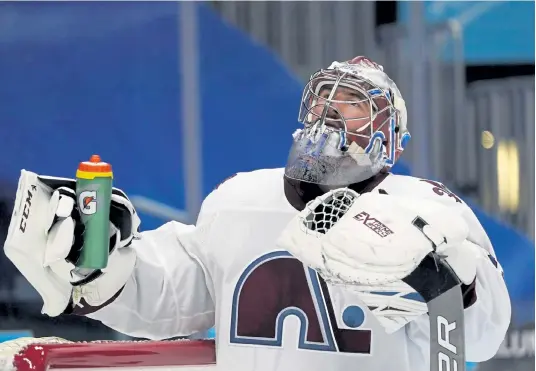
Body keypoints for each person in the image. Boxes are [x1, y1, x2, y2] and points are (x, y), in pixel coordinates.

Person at [3, 56, 510, 371]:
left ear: (390, 140)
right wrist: (100, 264)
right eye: (323, 100)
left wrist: (442, 281)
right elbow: (174, 295)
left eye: (355, 105)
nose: (330, 113)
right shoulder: (240, 200)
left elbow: (481, 337)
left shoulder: (430, 209)